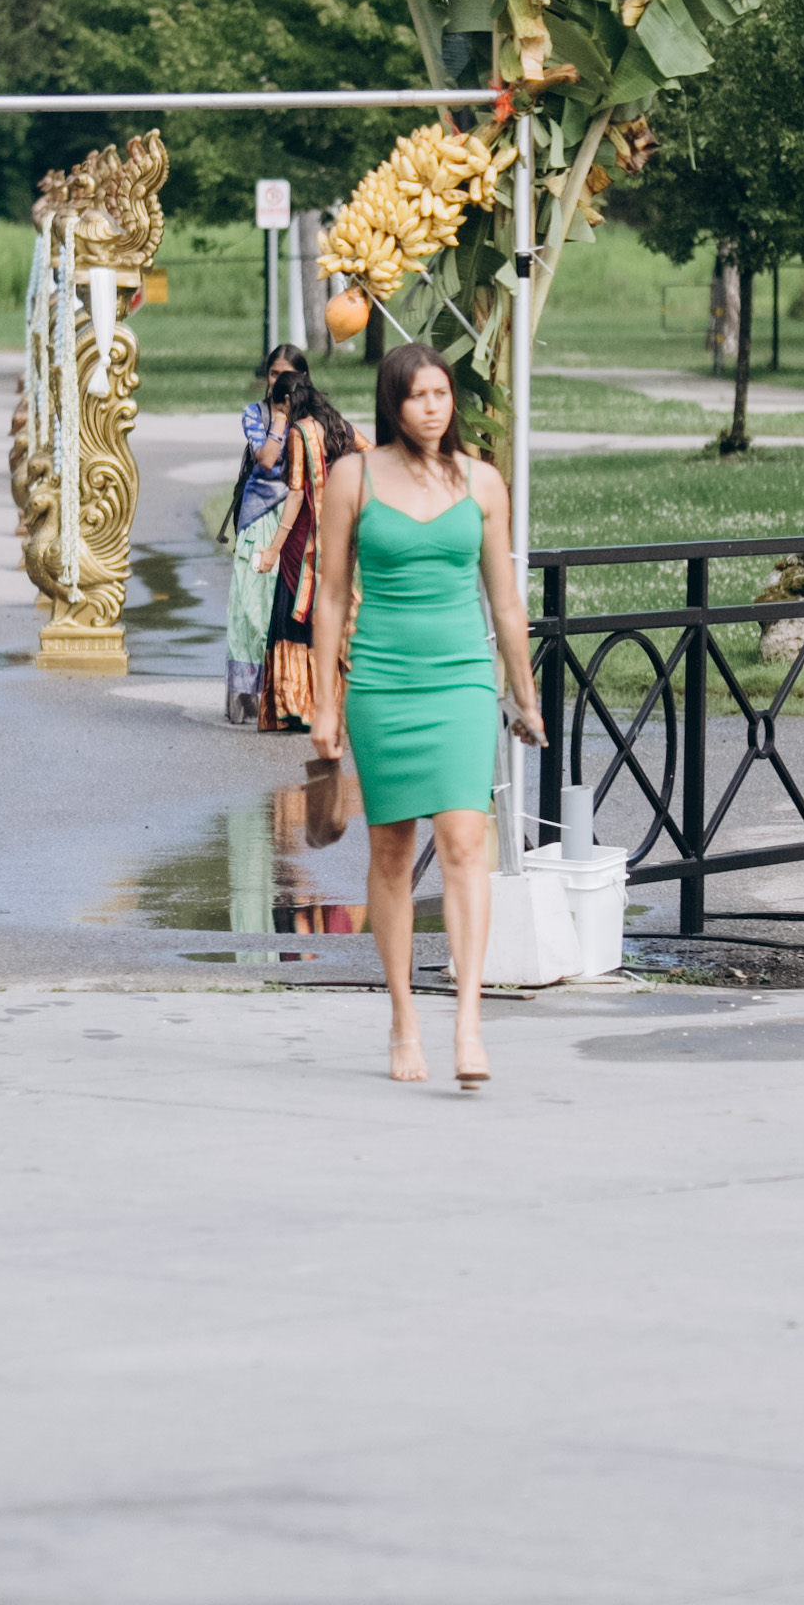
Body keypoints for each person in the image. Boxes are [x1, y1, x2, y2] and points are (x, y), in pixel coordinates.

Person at [309, 342, 543, 1092]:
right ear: (394, 403)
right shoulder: (353, 478)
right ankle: (403, 1016)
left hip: (461, 681)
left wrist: (524, 693)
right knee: (389, 851)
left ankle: (468, 1020)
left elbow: (504, 601)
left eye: (442, 393)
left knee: (465, 839)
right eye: (418, 396)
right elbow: (331, 596)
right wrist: (323, 703)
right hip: (382, 682)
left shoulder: (482, 482)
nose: (433, 407)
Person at [223, 346, 332, 728]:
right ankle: (249, 697)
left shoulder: (316, 418)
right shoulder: (256, 414)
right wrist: (281, 419)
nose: (279, 381)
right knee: (249, 609)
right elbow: (267, 459)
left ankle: (289, 696)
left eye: (288, 375)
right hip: (259, 519)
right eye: (273, 374)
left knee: (288, 610)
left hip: (300, 522)